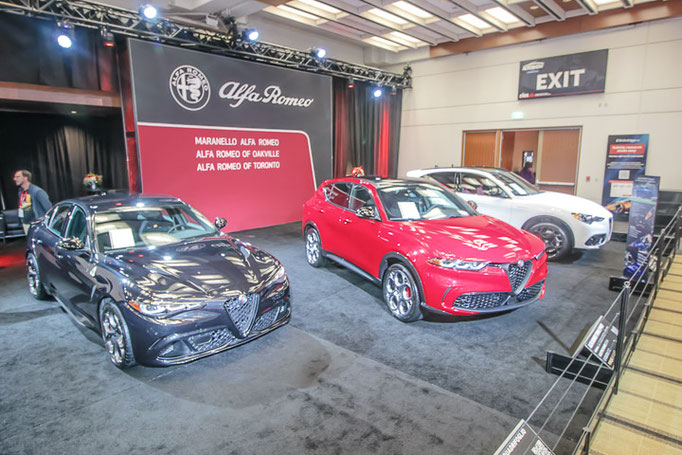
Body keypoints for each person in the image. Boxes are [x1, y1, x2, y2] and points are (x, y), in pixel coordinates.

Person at [13, 170, 52, 234]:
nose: (14, 179)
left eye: (17, 177)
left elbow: (48, 208)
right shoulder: (21, 191)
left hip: (36, 224)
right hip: (26, 223)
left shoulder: (37, 191)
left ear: (25, 178)